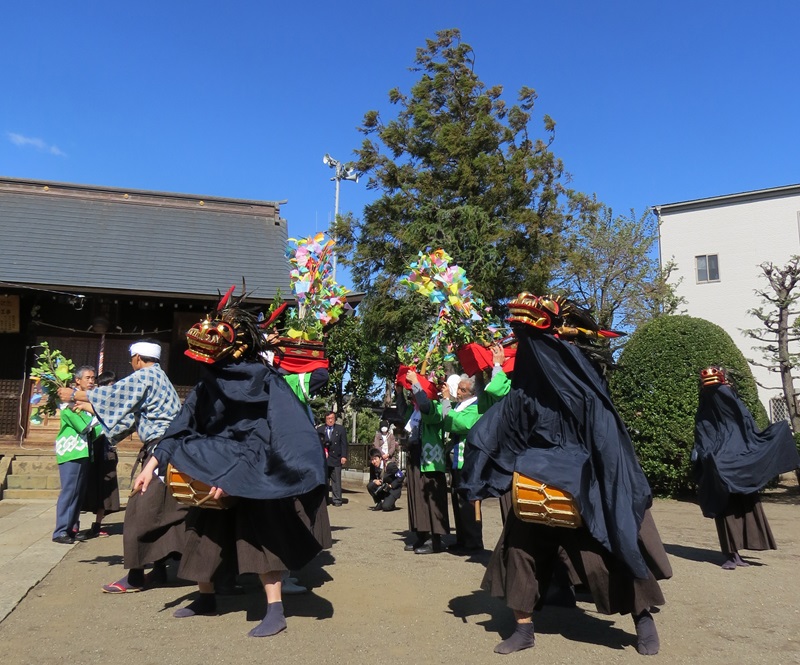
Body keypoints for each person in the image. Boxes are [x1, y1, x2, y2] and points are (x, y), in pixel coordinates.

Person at [461, 293, 672, 656]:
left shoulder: (581, 383)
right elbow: (498, 427)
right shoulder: (525, 391)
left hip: (583, 478)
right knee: (520, 548)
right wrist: (479, 474)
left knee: (606, 548)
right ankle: (523, 627)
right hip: (535, 478)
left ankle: (642, 617)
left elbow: (605, 435)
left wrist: (605, 479)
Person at [133, 288, 327, 637]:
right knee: (205, 529)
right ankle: (206, 598)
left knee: (262, 533)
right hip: (215, 460)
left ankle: (275, 609)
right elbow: (184, 421)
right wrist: (153, 464)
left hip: (256, 462)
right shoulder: (209, 380)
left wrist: (234, 474)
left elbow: (273, 432)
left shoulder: (266, 380)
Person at [58, 340, 184, 593]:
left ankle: (136, 575)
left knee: (139, 510)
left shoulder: (147, 375)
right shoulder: (159, 377)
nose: (130, 363)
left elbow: (115, 395)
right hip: (168, 450)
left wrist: (74, 394)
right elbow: (127, 416)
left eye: (131, 358)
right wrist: (90, 406)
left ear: (137, 357)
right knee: (161, 512)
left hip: (162, 451)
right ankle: (159, 569)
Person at [693, 366, 800, 570]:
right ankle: (732, 554)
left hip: (737, 465)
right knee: (727, 510)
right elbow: (705, 441)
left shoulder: (722, 401)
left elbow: (747, 430)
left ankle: (740, 551)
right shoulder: (710, 409)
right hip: (723, 470)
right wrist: (712, 460)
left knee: (744, 505)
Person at [425, 373, 483, 553]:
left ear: (471, 393)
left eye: (462, 389)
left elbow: (459, 424)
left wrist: (446, 402)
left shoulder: (476, 406)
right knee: (457, 501)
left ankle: (473, 542)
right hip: (456, 460)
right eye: (458, 388)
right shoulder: (460, 406)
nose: (458, 391)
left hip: (468, 459)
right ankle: (462, 539)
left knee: (467, 502)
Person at [399, 371, 450, 554]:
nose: (413, 395)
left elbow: (426, 406)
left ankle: (434, 539)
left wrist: (416, 383)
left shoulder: (437, 406)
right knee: (417, 497)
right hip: (415, 455)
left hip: (430, 460)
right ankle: (421, 534)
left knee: (430, 498)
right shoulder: (415, 411)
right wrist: (399, 390)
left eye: (416, 391)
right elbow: (402, 412)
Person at [52, 365, 98, 544]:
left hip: (84, 451)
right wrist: (100, 417)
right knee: (69, 491)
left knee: (78, 492)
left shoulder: (85, 402)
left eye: (93, 378)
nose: (91, 381)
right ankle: (60, 531)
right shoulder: (68, 403)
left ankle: (72, 527)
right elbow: (83, 426)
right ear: (77, 380)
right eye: (87, 378)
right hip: (71, 451)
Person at [79, 370, 120, 539]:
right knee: (88, 486)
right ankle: (74, 525)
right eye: (107, 385)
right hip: (91, 448)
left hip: (107, 450)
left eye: (113, 385)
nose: (110, 389)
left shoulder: (116, 403)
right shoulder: (92, 400)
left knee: (106, 488)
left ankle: (97, 524)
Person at [317, 411, 348, 507]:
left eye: (332, 418)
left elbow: (344, 444)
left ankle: (337, 500)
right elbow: (317, 444)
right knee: (324, 480)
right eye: (328, 418)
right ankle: (324, 500)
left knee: (336, 480)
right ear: (325, 419)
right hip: (324, 459)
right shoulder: (320, 429)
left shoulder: (340, 429)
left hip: (336, 458)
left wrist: (344, 456)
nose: (330, 420)